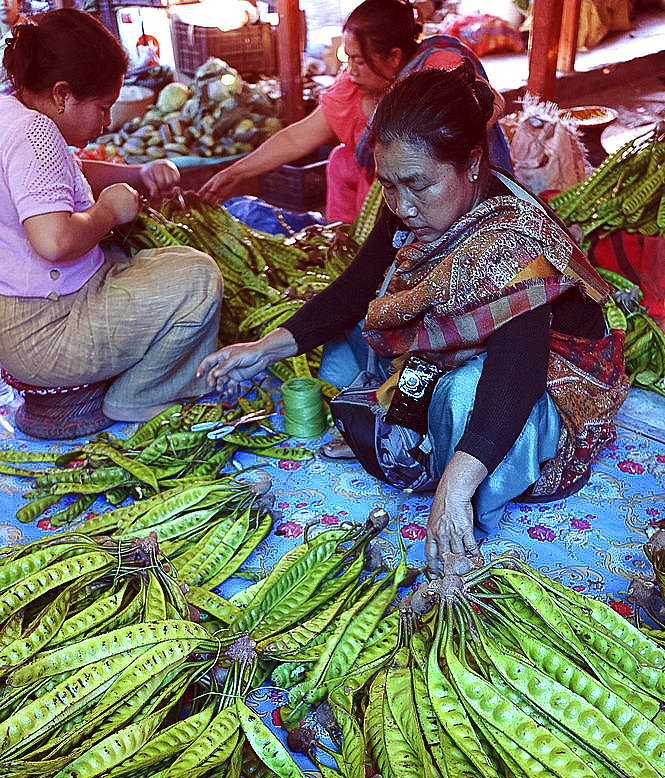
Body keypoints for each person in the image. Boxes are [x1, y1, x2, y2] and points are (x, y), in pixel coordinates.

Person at [197, 63, 629, 571]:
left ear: (472, 164)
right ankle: (426, 437)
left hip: (555, 374)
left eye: (417, 186)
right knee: (343, 353)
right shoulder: (413, 195)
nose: (401, 205)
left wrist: (454, 487)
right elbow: (355, 289)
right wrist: (263, 348)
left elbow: (516, 371)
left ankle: (465, 485)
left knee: (463, 400)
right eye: (388, 185)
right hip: (478, 347)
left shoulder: (512, 243)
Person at [0, 8, 222, 439]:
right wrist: (108, 211)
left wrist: (136, 175)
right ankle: (140, 395)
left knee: (167, 258)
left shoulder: (10, 113)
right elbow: (53, 241)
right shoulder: (35, 133)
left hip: (23, 325)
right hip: (48, 332)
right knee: (197, 278)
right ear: (62, 94)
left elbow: (63, 174)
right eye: (103, 107)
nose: (106, 122)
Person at [199, 0, 511, 223]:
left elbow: (492, 102)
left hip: (448, 204)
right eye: (349, 60)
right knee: (341, 160)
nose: (352, 71)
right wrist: (236, 171)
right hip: (401, 203)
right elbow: (297, 138)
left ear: (393, 57)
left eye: (359, 61)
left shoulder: (437, 69)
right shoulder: (354, 88)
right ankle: (345, 239)